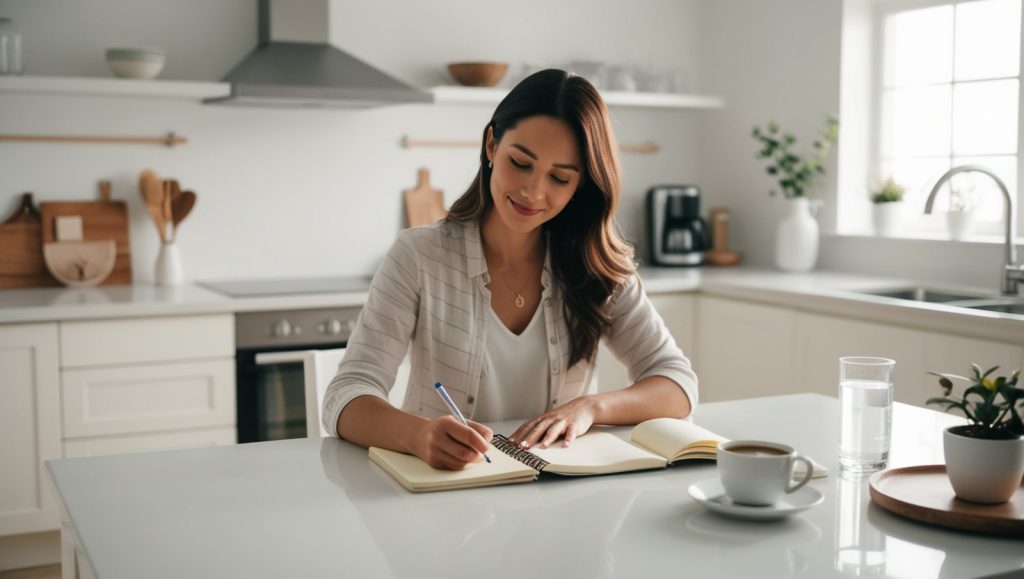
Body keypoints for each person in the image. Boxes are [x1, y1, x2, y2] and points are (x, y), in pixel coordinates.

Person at [322, 69, 698, 470]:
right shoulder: (418, 256)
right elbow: (346, 394)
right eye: (520, 163)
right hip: (444, 499)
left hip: (557, 504)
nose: (533, 192)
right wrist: (417, 435)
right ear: (491, 145)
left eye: (559, 177)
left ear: (580, 186)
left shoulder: (597, 265)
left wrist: (591, 407)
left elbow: (677, 385)